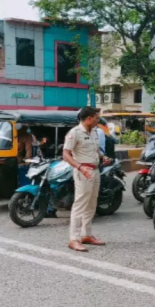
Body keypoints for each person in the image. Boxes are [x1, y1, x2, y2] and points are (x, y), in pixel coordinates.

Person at [63, 107, 110, 252]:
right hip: (83, 171)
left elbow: (95, 150)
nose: (98, 120)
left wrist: (103, 157)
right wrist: (79, 167)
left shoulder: (95, 132)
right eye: (96, 118)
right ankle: (74, 239)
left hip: (95, 170)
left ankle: (86, 235)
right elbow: (66, 154)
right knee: (80, 204)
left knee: (91, 204)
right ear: (89, 118)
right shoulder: (75, 133)